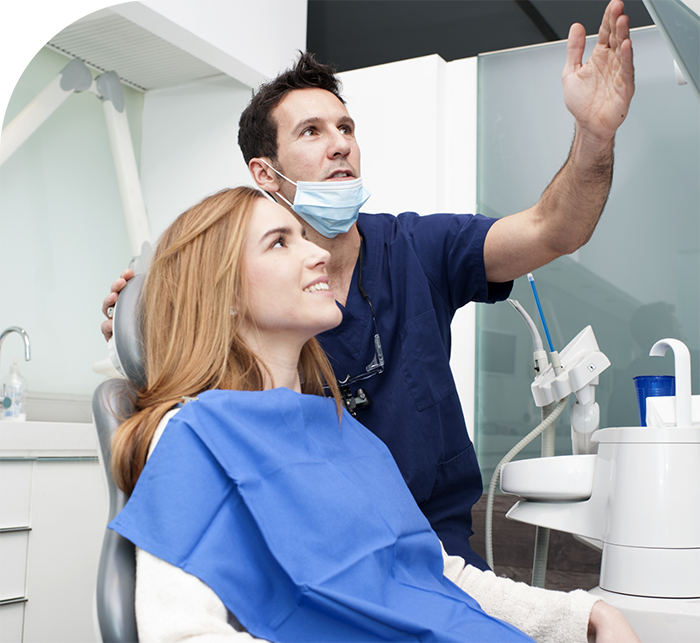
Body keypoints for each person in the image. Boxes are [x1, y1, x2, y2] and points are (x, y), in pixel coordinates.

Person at [102, 1, 635, 569]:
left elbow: (554, 229)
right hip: (317, 551)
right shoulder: (240, 285)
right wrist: (140, 317)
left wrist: (593, 136)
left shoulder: (418, 249)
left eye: (346, 128)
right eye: (312, 131)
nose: (341, 144)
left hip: (436, 551)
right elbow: (179, 361)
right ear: (265, 173)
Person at [109, 186, 641, 643]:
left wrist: (582, 614)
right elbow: (182, 633)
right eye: (279, 242)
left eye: (304, 236)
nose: (316, 253)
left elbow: (433, 575)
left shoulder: (345, 433)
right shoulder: (195, 435)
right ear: (221, 294)